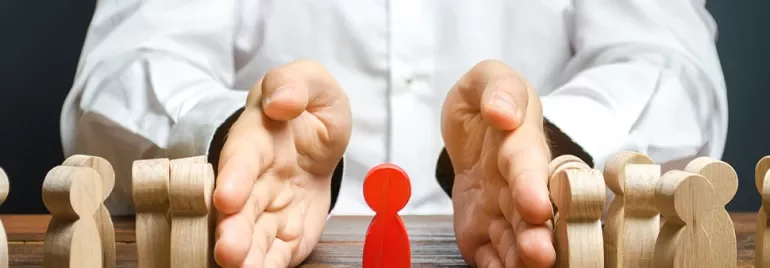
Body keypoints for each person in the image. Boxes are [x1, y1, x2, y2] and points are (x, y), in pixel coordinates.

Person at [60, 1, 726, 267]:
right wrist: (232, 134)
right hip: (266, 246)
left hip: (523, 244)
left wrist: (550, 149)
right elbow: (120, 75)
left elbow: (674, 70)